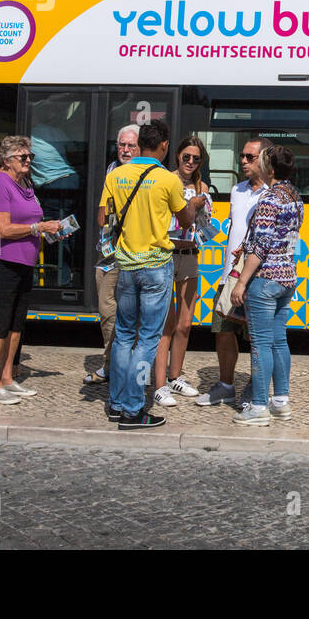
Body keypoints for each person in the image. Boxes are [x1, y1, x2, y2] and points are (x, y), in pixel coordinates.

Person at [102, 120, 193, 429]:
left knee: (124, 336)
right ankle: (134, 408)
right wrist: (192, 205)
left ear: (140, 143)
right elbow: (184, 219)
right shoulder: (168, 180)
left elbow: (104, 217)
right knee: (147, 340)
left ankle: (116, 403)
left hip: (125, 265)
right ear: (165, 146)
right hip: (155, 266)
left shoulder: (116, 175)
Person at [0, 136, 61, 404]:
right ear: (6, 159)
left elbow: (31, 221)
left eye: (30, 157)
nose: (28, 161)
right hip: (0, 260)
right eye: (22, 157)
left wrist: (51, 230)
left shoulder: (25, 184)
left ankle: (7, 378)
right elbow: (3, 229)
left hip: (24, 260)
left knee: (16, 324)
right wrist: (39, 228)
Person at [230, 144, 305, 425]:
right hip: (287, 278)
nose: (255, 163)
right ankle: (281, 402)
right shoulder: (295, 197)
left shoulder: (268, 200)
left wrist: (241, 283)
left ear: (270, 169)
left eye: (260, 160)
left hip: (264, 279)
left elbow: (261, 247)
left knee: (260, 344)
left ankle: (259, 406)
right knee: (278, 340)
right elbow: (283, 238)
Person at [197, 137, 271, 407]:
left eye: (250, 157)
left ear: (265, 159)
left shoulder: (272, 195)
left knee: (257, 337)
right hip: (230, 275)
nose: (243, 161)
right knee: (223, 330)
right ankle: (226, 385)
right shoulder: (237, 191)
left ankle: (255, 388)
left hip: (259, 278)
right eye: (242, 156)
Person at [152, 135, 214, 407]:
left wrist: (203, 214)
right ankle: (160, 383)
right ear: (177, 155)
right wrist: (191, 207)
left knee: (185, 323)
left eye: (196, 158)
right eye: (186, 157)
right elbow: (163, 218)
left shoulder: (203, 185)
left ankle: (176, 376)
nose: (190, 162)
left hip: (190, 255)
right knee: (165, 324)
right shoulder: (166, 180)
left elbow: (204, 224)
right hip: (166, 254)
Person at [85, 125, 139, 385]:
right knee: (107, 311)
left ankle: (125, 367)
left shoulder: (146, 174)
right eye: (121, 145)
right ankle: (112, 364)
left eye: (131, 145)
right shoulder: (111, 170)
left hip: (135, 254)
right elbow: (104, 214)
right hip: (108, 253)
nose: (125, 150)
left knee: (132, 315)